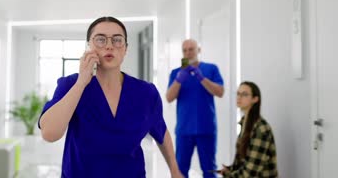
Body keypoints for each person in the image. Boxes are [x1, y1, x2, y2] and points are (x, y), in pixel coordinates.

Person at [38, 16, 183, 178]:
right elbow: (49, 133)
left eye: (117, 40)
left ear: (125, 49)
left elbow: (161, 132)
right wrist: (81, 83)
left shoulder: (146, 92)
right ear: (89, 47)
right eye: (100, 39)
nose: (109, 46)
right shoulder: (70, 85)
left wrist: (175, 171)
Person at [167, 39, 225, 178]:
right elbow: (169, 97)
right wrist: (179, 80)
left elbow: (220, 92)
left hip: (206, 128)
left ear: (199, 50)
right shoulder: (176, 73)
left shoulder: (211, 69)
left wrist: (201, 78)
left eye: (191, 49)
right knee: (180, 169)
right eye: (184, 50)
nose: (188, 53)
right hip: (184, 130)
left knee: (209, 169)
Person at [218, 81, 278, 177]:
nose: (239, 97)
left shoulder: (261, 129)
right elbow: (244, 162)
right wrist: (230, 169)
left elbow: (250, 173)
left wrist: (228, 174)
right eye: (238, 93)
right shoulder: (244, 123)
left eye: (244, 94)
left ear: (255, 99)